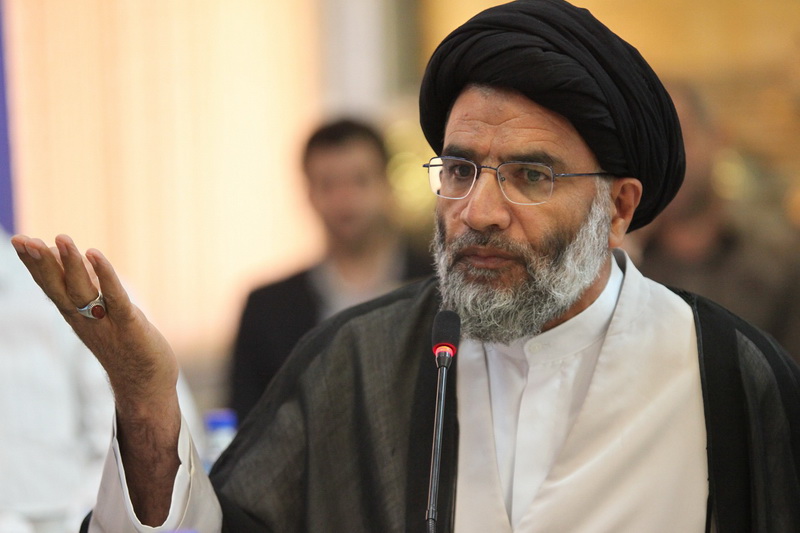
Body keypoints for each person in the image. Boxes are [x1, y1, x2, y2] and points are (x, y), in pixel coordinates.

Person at [10, 1, 800, 532]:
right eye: (459, 169)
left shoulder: (728, 376)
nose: (479, 210)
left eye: (530, 175)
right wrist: (145, 398)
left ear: (619, 208)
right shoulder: (359, 362)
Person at [229, 118, 432, 421]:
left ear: (387, 185)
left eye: (360, 180)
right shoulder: (267, 308)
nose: (345, 199)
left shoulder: (439, 285)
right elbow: (246, 425)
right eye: (328, 184)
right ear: (309, 193)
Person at [625, 83, 800, 361]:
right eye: (649, 146)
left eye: (679, 139)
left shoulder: (781, 256)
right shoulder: (623, 263)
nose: (664, 161)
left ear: (719, 138)